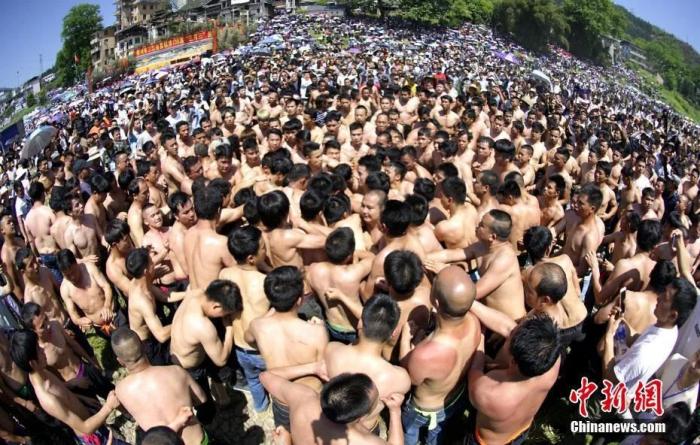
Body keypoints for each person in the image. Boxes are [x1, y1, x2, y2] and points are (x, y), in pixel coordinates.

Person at [400, 266, 480, 445]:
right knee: (436, 437)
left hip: (423, 409)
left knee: (409, 432)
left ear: (435, 302)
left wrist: (406, 338)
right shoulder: (474, 322)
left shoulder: (426, 354)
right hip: (455, 397)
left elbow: (409, 377)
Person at [245, 266, 328, 435]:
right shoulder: (317, 332)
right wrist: (319, 327)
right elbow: (324, 369)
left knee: (285, 434)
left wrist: (267, 317)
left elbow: (249, 339)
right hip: (310, 399)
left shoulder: (257, 325)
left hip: (281, 399)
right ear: (299, 300)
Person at [9, 331, 125, 445]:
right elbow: (85, 428)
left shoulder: (41, 372)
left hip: (95, 421)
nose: (43, 348)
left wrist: (74, 384)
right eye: (38, 349)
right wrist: (108, 406)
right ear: (33, 363)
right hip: (95, 438)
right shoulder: (48, 399)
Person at [467, 314, 563, 445]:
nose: (510, 331)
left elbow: (475, 369)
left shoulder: (488, 394)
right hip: (520, 430)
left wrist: (481, 334)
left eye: (510, 336)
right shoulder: (552, 363)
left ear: (512, 362)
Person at [111, 328, 207, 445]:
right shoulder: (176, 372)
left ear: (120, 361)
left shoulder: (121, 391)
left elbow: (129, 414)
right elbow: (201, 399)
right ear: (144, 346)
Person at [428, 209, 526, 320]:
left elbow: (473, 294)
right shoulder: (482, 246)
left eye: (481, 225)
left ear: (492, 237)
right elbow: (450, 255)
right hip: (489, 318)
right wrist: (420, 257)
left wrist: (446, 272)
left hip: (511, 323)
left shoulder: (504, 259)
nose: (476, 226)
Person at [261, 371, 404, 445]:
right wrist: (395, 411)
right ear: (360, 418)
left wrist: (312, 367)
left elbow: (265, 376)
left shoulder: (302, 397)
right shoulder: (363, 441)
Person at [169, 279, 241, 423]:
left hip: (176, 353)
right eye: (225, 313)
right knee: (204, 403)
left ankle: (220, 398)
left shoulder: (195, 293)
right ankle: (206, 426)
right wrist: (229, 329)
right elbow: (221, 359)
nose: (224, 317)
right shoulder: (202, 326)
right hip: (190, 369)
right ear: (216, 306)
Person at [218, 226, 270, 412]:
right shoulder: (265, 282)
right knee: (273, 377)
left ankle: (261, 406)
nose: (266, 251)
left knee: (253, 380)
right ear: (251, 258)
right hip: (262, 349)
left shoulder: (225, 274)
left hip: (239, 346)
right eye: (263, 248)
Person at [306, 227, 374, 343]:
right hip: (354, 330)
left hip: (331, 327)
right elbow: (372, 258)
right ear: (349, 256)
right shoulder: (353, 273)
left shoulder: (313, 270)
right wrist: (354, 253)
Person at [126, 248, 185, 366]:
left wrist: (188, 294)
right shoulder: (142, 301)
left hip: (154, 332)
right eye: (151, 262)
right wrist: (183, 320)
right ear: (146, 271)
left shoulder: (141, 281)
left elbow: (164, 296)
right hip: (148, 346)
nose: (154, 263)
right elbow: (161, 335)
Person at [58, 249, 122, 337]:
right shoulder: (65, 289)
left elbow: (106, 286)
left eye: (73, 272)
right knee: (115, 344)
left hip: (114, 314)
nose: (72, 277)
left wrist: (107, 306)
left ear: (76, 263)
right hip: (100, 327)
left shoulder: (90, 268)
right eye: (67, 275)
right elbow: (73, 314)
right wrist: (79, 321)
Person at [184, 186, 234, 290]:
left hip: (193, 296)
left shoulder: (188, 234)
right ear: (219, 210)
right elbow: (238, 272)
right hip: (211, 298)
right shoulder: (221, 243)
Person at [23, 182, 61, 283]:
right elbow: (57, 231)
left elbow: (31, 241)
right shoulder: (48, 211)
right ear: (42, 194)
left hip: (43, 255)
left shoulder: (27, 218)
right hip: (55, 251)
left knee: (56, 283)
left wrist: (37, 257)